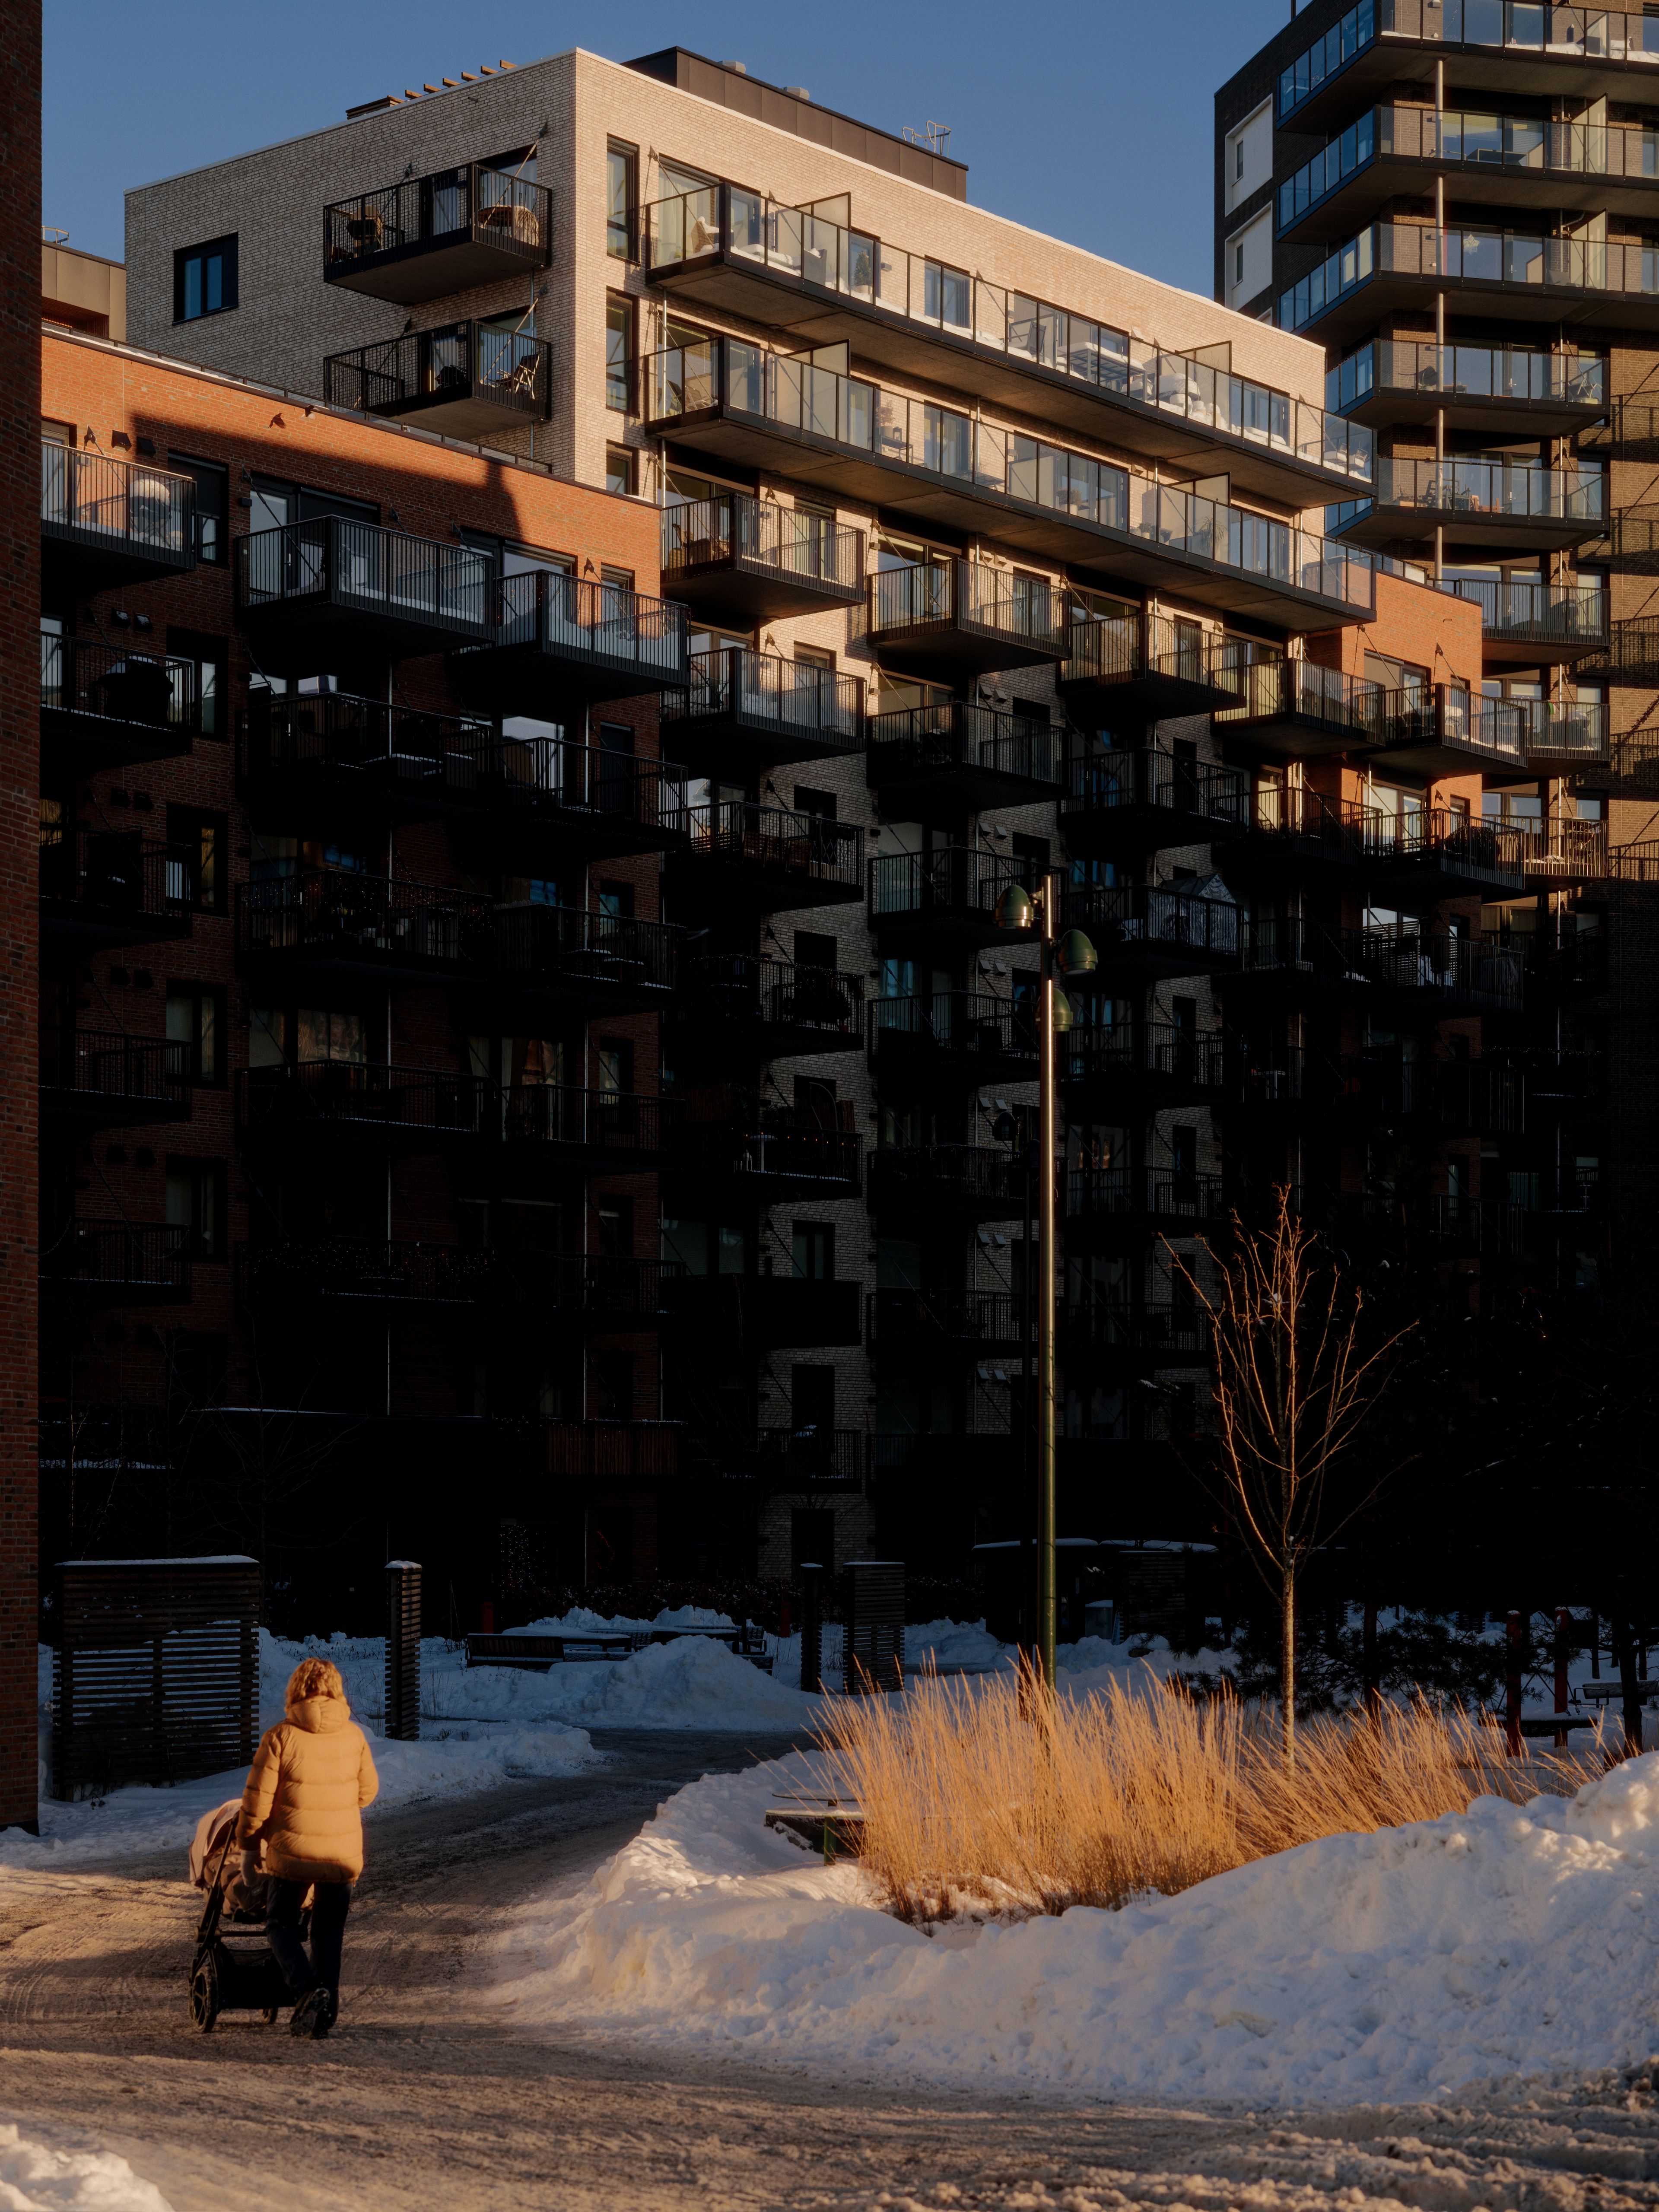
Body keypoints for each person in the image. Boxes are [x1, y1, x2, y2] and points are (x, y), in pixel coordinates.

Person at [238, 1656, 379, 2039]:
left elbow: (256, 1803)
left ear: (296, 1690)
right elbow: (368, 1794)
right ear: (336, 1690)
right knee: (328, 1934)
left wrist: (249, 1848)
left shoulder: (280, 1737)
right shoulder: (354, 1736)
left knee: (279, 1923)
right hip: (341, 1857)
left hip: (293, 1856)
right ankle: (325, 2013)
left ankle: (306, 1991)